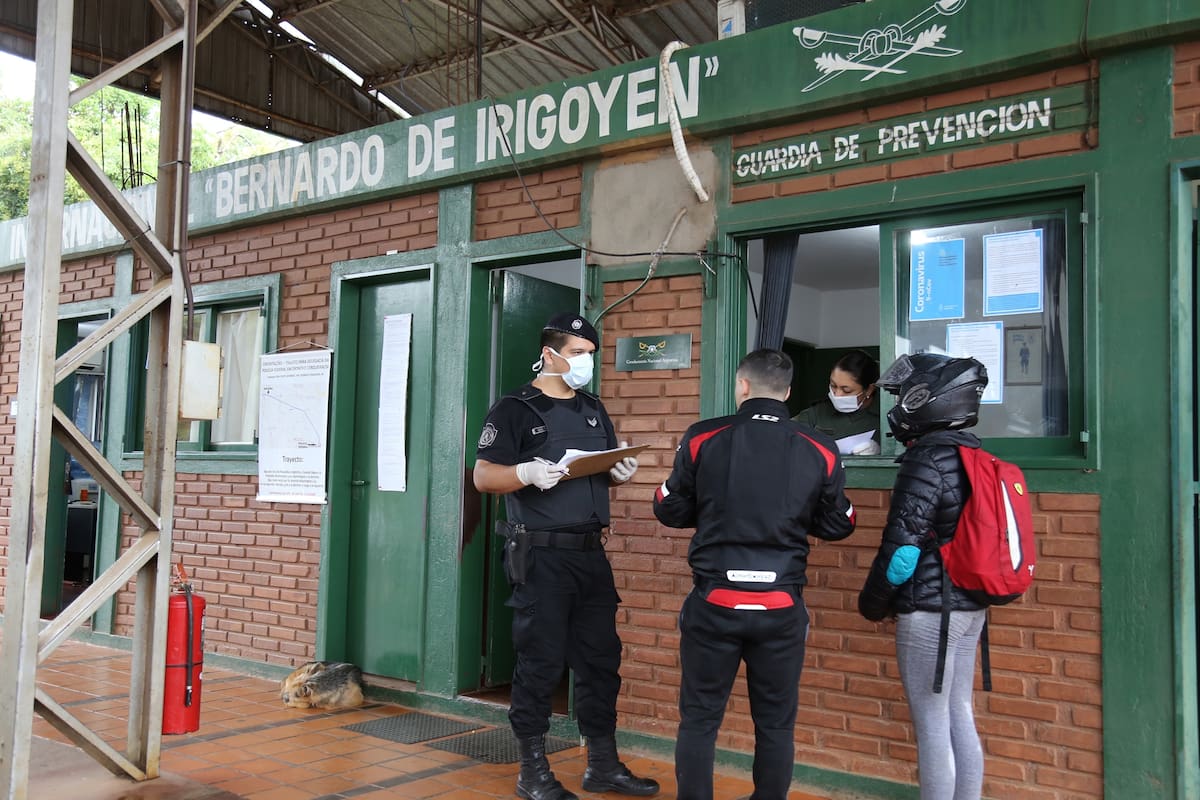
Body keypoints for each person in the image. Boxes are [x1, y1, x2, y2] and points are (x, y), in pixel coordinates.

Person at [653, 348, 858, 800]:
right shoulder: (819, 446)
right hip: (780, 604)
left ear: (742, 386)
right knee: (776, 724)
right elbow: (840, 523)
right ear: (786, 392)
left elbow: (668, 508)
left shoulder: (703, 436)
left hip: (715, 601)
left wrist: (710, 508)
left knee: (700, 719)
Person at [473, 312, 659, 800]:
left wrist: (619, 472)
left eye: (590, 355)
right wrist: (525, 473)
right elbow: (484, 476)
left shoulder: (593, 407)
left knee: (601, 662)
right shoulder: (514, 408)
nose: (585, 363)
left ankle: (603, 765)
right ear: (550, 354)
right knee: (540, 662)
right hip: (541, 556)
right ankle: (532, 772)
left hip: (590, 555)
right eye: (578, 354)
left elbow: (599, 469)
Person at [857, 353, 990, 800]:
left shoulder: (926, 460)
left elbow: (903, 551)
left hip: (932, 610)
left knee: (933, 724)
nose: (896, 407)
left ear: (926, 400)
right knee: (959, 712)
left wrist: (873, 603)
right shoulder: (974, 455)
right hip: (970, 606)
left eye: (902, 397)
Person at [792, 349, 881, 455]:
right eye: (833, 386)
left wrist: (881, 449)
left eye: (846, 390)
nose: (837, 394)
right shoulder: (816, 414)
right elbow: (784, 433)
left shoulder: (884, 416)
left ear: (869, 389)